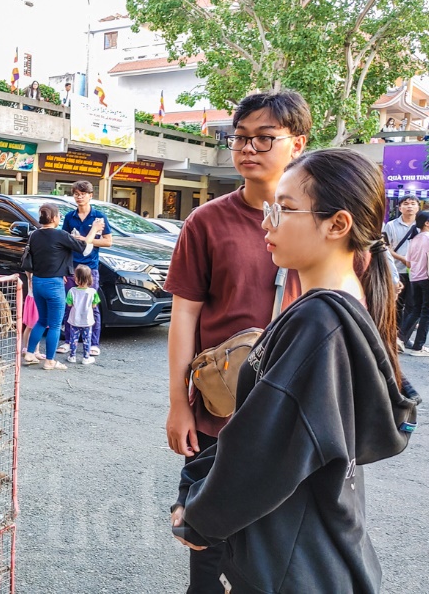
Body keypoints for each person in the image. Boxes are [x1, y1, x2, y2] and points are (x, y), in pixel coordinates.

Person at [170, 147, 416, 593]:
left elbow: (264, 448)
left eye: (283, 209)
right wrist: (196, 483)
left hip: (292, 563)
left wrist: (198, 516)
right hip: (318, 544)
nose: (267, 221)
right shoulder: (340, 306)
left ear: (337, 224)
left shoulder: (319, 321)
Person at [163, 90, 309, 593]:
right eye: (240, 138)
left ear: (297, 143)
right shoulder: (206, 222)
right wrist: (179, 406)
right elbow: (185, 316)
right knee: (206, 540)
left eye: (265, 138)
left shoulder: (317, 222)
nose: (248, 148)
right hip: (217, 410)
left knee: (279, 540)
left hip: (292, 412)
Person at [23, 203, 103, 371]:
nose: (60, 217)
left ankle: (30, 353)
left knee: (41, 320)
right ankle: (50, 361)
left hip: (37, 282)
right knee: (54, 324)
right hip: (54, 284)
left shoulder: (34, 235)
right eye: (58, 215)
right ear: (54, 218)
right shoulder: (60, 235)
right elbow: (83, 248)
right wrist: (94, 229)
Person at [57, 181, 113, 358]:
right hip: (72, 267)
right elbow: (64, 243)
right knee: (69, 304)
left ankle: (94, 344)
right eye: (76, 194)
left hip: (90, 268)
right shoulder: (69, 217)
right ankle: (67, 341)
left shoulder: (98, 217)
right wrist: (64, 270)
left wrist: (85, 239)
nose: (79, 197)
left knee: (92, 305)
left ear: (90, 195)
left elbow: (108, 241)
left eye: (83, 194)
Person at [398, 210, 429, 357]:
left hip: (415, 278)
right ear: (427, 223)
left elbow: (408, 262)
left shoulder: (414, 239)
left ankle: (399, 338)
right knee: (427, 312)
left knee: (415, 310)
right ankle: (418, 347)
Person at [383, 195, 420, 331]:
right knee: (396, 305)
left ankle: (404, 336)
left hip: (417, 272)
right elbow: (385, 248)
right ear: (400, 208)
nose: (409, 206)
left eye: (412, 203)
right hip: (396, 271)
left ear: (418, 207)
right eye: (405, 203)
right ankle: (394, 333)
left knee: (413, 305)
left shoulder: (422, 225)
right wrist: (403, 259)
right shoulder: (390, 225)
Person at [64, 265, 101, 365]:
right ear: (90, 279)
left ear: (76, 278)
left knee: (73, 338)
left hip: (74, 319)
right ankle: (86, 357)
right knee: (87, 339)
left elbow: (69, 304)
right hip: (87, 320)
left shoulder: (72, 291)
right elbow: (94, 305)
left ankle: (72, 356)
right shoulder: (92, 292)